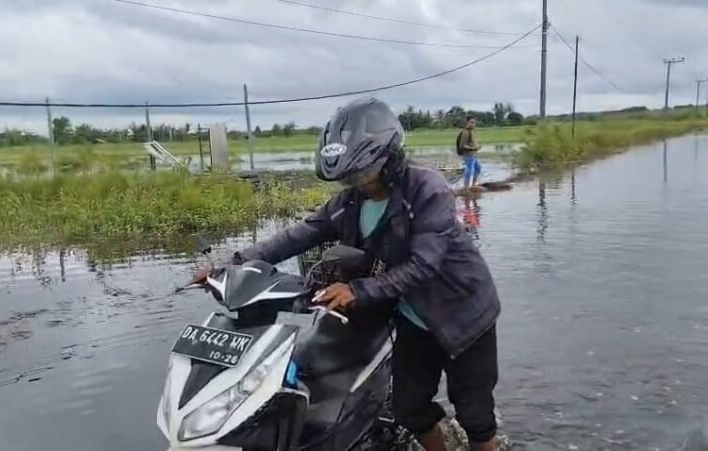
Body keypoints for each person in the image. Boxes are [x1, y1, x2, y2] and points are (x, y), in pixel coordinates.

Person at [195, 97, 502, 451]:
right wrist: (232, 263)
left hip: (463, 315)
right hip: (414, 321)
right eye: (348, 177)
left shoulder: (426, 189)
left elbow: (424, 265)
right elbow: (297, 236)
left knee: (475, 417)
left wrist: (358, 290)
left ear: (387, 156)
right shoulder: (350, 203)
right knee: (409, 409)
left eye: (361, 173)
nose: (356, 183)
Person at [456, 116, 482, 190]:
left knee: (478, 168)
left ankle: (473, 185)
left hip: (473, 154)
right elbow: (462, 145)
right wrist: (473, 148)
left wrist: (476, 147)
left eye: (474, 122)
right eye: (471, 122)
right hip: (468, 154)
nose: (473, 124)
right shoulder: (466, 132)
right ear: (467, 123)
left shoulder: (472, 131)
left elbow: (471, 142)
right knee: (469, 170)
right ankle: (466, 187)